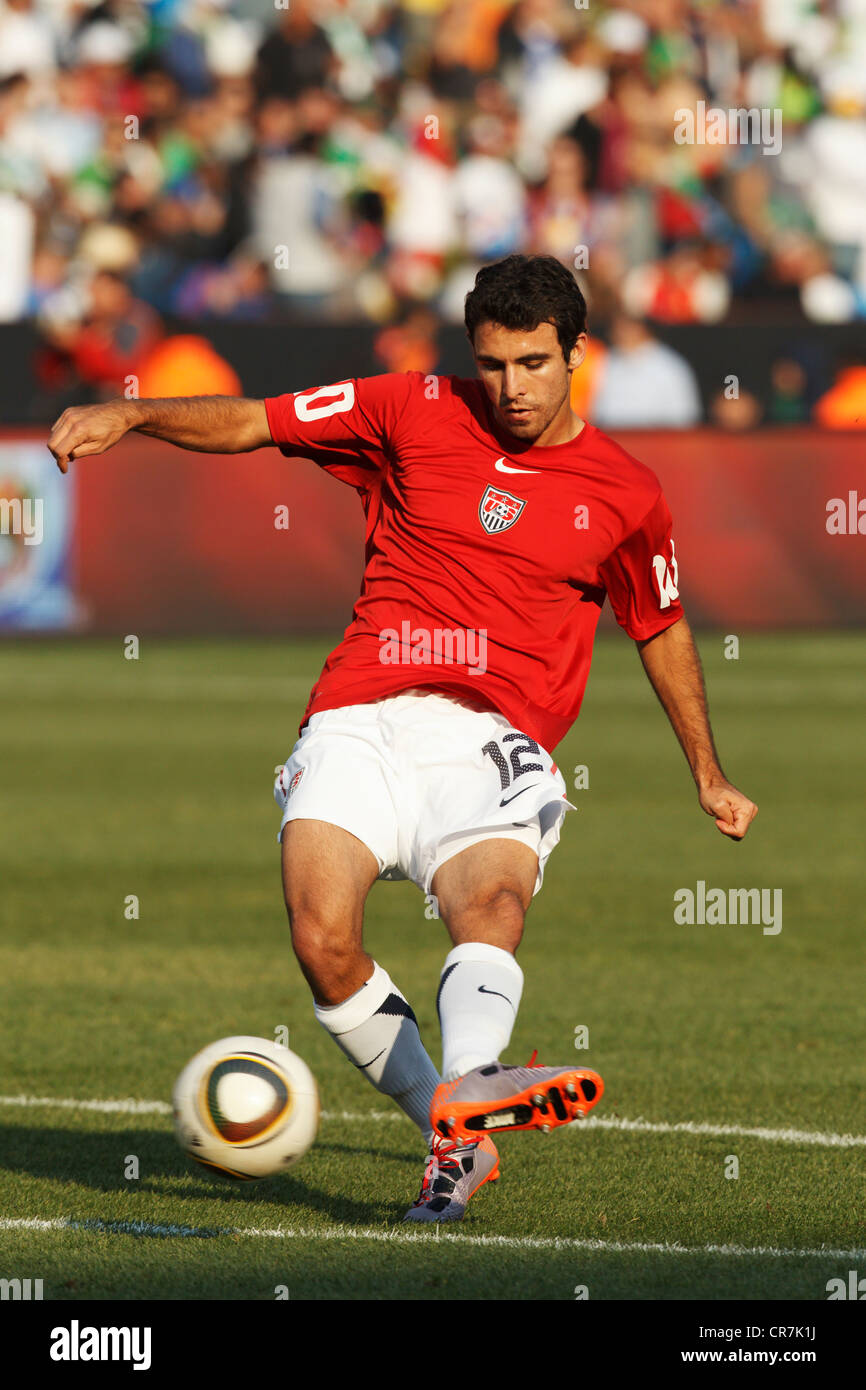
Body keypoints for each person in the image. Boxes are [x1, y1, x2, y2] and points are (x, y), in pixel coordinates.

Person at [48, 255, 757, 1223]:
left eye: (535, 364)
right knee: (320, 935)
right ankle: (455, 1120)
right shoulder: (409, 407)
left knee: (491, 896)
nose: (511, 388)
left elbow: (660, 625)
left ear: (574, 356)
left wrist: (707, 774)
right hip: (361, 711)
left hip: (493, 737)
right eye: (494, 363)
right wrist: (134, 415)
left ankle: (471, 1077)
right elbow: (258, 419)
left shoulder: (624, 493)